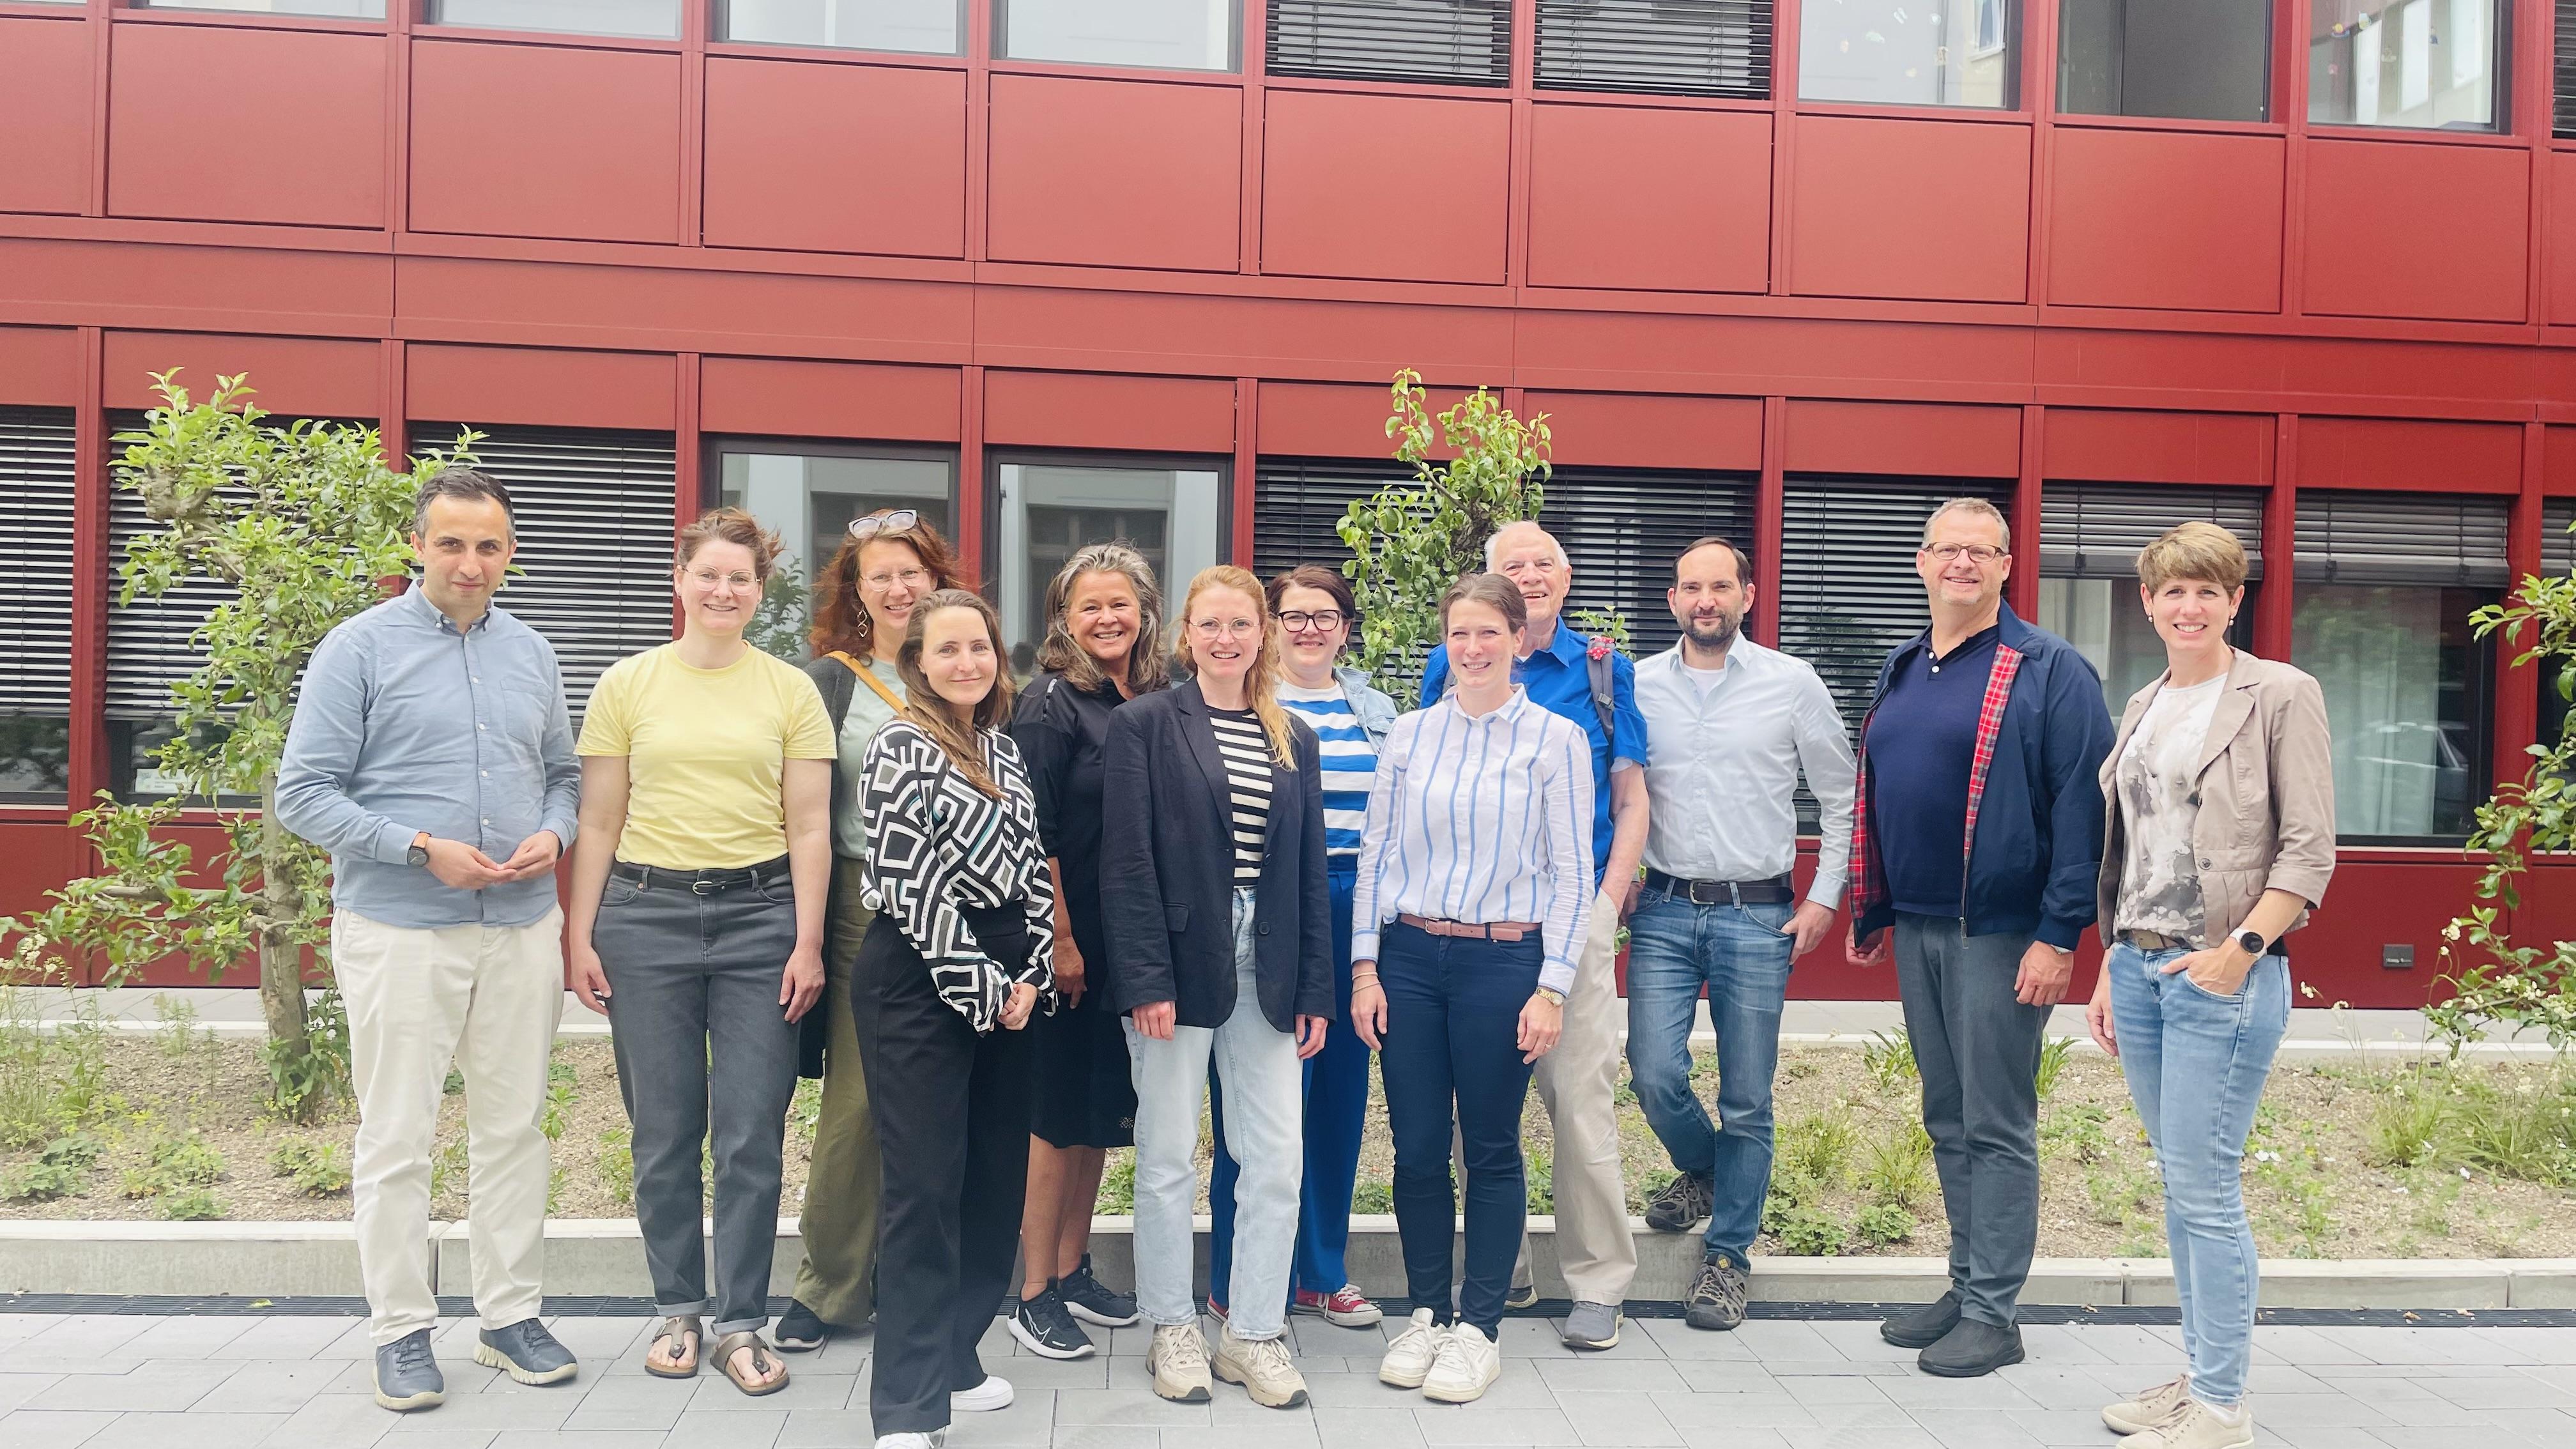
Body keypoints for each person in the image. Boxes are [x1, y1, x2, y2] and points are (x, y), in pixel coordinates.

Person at [275, 467, 583, 1413]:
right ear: (417, 545)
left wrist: (555, 833)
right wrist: (417, 848)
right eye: (451, 543)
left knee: (513, 1129)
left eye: (488, 545)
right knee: (398, 1135)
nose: (470, 562)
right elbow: (303, 795)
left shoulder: (532, 653)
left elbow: (564, 775)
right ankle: (402, 1331)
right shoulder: (356, 650)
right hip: (403, 929)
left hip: (521, 927)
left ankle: (508, 1316)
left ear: (511, 554)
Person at [565, 507, 835, 1398]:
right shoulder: (627, 684)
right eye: (709, 575)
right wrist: (580, 935)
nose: (724, 591)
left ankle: (742, 1323)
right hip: (645, 918)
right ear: (679, 581)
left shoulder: (789, 690)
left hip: (763, 921)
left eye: (742, 579)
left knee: (754, 1134)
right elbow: (598, 819)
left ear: (762, 592)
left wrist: (806, 940)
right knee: (665, 1129)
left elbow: (808, 827)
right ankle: (678, 1310)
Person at [1843, 497, 2114, 1377]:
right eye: (1946, 549)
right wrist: (1874, 907)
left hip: (2001, 933)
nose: (1962, 563)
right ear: (1921, 561)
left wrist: (2059, 935)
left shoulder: (2048, 669)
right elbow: (1882, 785)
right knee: (1947, 1114)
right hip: (1920, 921)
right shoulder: (1905, 663)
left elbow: (2084, 811)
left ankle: (1995, 1313)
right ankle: (1965, 1287)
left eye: (1981, 551)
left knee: (1996, 1121)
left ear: (2005, 565)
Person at [2082, 523, 2335, 1449]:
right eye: (2172, 592)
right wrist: (2114, 959)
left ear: (2236, 601)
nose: (2189, 607)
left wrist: (2245, 948)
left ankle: (2223, 1407)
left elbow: (2310, 845)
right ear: (2147, 603)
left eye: (2208, 591)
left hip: (2221, 973)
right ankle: (2200, 1378)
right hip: (2142, 966)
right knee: (2181, 1184)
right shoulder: (2143, 702)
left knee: (2206, 1189)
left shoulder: (2278, 695)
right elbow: (2134, 852)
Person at [1353, 572, 1595, 1406]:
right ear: (1444, 640)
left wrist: (1552, 988)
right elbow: (1376, 856)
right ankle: (1425, 1313)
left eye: (1490, 632)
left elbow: (1572, 874)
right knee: (1417, 1147)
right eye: (1460, 632)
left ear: (1518, 639)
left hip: (1504, 963)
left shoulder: (1555, 740)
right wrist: (1364, 968)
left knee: (1489, 1145)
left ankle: (1480, 1329)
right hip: (1411, 959)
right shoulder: (1410, 736)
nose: (1474, 647)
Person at [1100, 565, 1333, 1409]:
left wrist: (1315, 987)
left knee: (1274, 1158)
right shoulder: (1146, 725)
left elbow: (1306, 872)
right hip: (1177, 961)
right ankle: (1171, 1326)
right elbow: (1124, 862)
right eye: (1211, 625)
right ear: (1187, 635)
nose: (1227, 639)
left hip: (1266, 966)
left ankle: (1252, 1333)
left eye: (1242, 624)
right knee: (1167, 1157)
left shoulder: (1291, 736)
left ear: (1262, 633)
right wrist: (1145, 979)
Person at [1416, 521, 1644, 1350]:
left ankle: (1597, 1283)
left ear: (1567, 575)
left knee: (1578, 1102)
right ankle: (1498, 1273)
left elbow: (1631, 801)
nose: (1531, 574)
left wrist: (1608, 902)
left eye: (1543, 562)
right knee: (1474, 1105)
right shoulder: (1455, 661)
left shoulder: (1603, 668)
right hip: (1475, 923)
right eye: (1513, 566)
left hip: (1572, 912)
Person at [1626, 537, 1857, 1333]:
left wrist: (1825, 896)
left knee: (1748, 1097)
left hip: (1759, 914)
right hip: (1660, 909)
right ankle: (1709, 1168)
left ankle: (1727, 1259)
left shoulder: (1792, 685)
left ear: (1747, 596)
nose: (1705, 600)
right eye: (1691, 586)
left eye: (1720, 586)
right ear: (1673, 599)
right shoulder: (1639, 685)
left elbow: (1840, 795)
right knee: (1652, 1070)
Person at [852, 588, 1056, 1449]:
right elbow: (910, 885)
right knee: (924, 1189)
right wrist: (984, 986)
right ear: (919, 663)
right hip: (919, 976)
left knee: (991, 1181)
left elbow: (1036, 875)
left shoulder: (1004, 751)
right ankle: (905, 1407)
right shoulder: (897, 746)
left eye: (979, 647)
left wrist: (1033, 973)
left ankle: (956, 1356)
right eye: (948, 650)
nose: (968, 662)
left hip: (1011, 976)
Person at [773, 508, 968, 1354]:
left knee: (948, 1103)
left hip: (965, 906)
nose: (899, 587)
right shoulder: (832, 682)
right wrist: (808, 935)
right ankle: (828, 1287)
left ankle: (918, 1277)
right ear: (855, 590)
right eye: (879, 575)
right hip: (868, 906)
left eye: (912, 571)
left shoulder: (968, 668)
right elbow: (806, 817)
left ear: (936, 579)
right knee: (858, 1103)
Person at [1204, 565, 1396, 1329]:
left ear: (1346, 628)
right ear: (1270, 625)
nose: (1309, 628)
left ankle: (1319, 1270)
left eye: (1326, 616)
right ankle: (1236, 1278)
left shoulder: (1375, 709)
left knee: (1341, 1101)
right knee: (1256, 1104)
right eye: (1294, 614)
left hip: (1359, 902)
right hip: (1274, 901)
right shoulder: (1244, 703)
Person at [1006, 543, 1163, 1360]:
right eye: (1089, 606)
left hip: (1131, 939)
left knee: (1101, 1113)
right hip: (1068, 939)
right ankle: (1032, 1291)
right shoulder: (1049, 704)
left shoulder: (1155, 695)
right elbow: (1036, 832)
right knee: (1054, 1115)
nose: (1107, 618)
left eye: (1120, 603)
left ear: (1144, 609)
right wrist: (1061, 939)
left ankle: (1073, 1269)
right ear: (1065, 619)